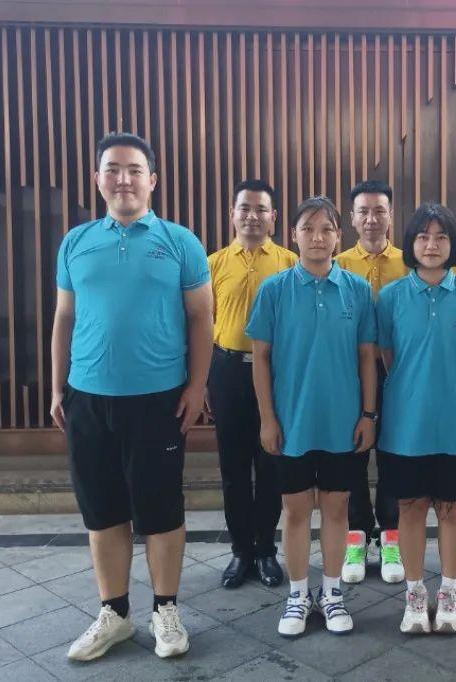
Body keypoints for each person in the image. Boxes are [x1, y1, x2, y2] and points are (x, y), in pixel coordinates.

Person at [50, 133, 212, 660]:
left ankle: (166, 608)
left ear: (152, 180)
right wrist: (57, 386)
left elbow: (201, 318)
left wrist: (197, 386)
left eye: (134, 169)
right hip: (88, 399)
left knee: (161, 509)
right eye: (113, 169)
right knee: (102, 510)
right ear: (97, 179)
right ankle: (114, 613)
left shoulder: (180, 242)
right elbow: (65, 317)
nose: (124, 179)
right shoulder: (75, 242)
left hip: (158, 401)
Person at [246, 195, 378, 638]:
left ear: (340, 235)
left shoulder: (357, 290)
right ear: (293, 235)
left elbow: (367, 357)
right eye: (308, 228)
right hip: (292, 423)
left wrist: (368, 414)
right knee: (296, 510)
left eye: (326, 229)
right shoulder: (274, 290)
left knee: (338, 509)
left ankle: (332, 592)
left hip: (343, 423)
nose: (317, 237)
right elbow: (261, 358)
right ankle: (299, 594)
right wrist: (268, 418)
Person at [376, 203, 456, 635]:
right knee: (410, 509)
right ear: (411, 243)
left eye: (441, 236)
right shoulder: (390, 298)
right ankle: (413, 596)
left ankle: (448, 594)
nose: (431, 244)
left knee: (450, 509)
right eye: (423, 236)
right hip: (404, 426)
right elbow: (389, 358)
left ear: (453, 244)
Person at [206, 180, 296, 589]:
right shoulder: (214, 263)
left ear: (273, 218)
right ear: (233, 214)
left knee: (271, 463)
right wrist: (202, 380)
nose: (252, 216)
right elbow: (201, 324)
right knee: (233, 467)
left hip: (275, 372)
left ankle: (266, 551)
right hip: (226, 370)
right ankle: (241, 550)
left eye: (261, 209)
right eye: (245, 208)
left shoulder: (290, 262)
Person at [335, 180, 407, 585]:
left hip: (398, 373)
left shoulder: (409, 262)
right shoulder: (338, 263)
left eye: (379, 210)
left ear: (390, 215)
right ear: (352, 218)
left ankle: (391, 535)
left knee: (394, 455)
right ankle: (357, 536)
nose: (371, 219)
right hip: (349, 373)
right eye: (363, 211)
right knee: (353, 456)